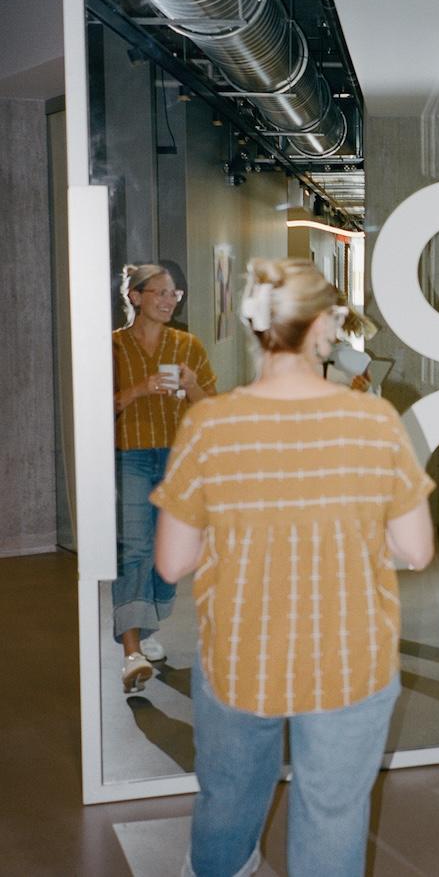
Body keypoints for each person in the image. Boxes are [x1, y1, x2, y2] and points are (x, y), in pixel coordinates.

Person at [151, 258, 435, 877]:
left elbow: (172, 563)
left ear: (253, 326)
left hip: (238, 653)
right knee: (331, 812)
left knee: (227, 798)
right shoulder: (373, 421)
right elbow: (416, 550)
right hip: (349, 657)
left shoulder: (210, 424)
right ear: (325, 329)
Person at [112, 263, 216, 693]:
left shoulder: (187, 346)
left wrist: (190, 387)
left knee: (170, 553)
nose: (170, 300)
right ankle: (131, 650)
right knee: (135, 546)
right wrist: (141, 388)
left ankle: (148, 626)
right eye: (161, 292)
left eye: (175, 294)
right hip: (131, 456)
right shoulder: (112, 348)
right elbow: (97, 405)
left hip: (178, 459)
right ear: (135, 297)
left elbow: (211, 408)